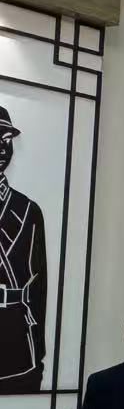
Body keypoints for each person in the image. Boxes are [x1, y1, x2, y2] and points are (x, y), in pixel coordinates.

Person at [0, 106, 47, 392]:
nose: (2, 148)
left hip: (16, 338)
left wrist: (38, 347)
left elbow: (39, 286)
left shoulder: (28, 209)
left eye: (6, 139)